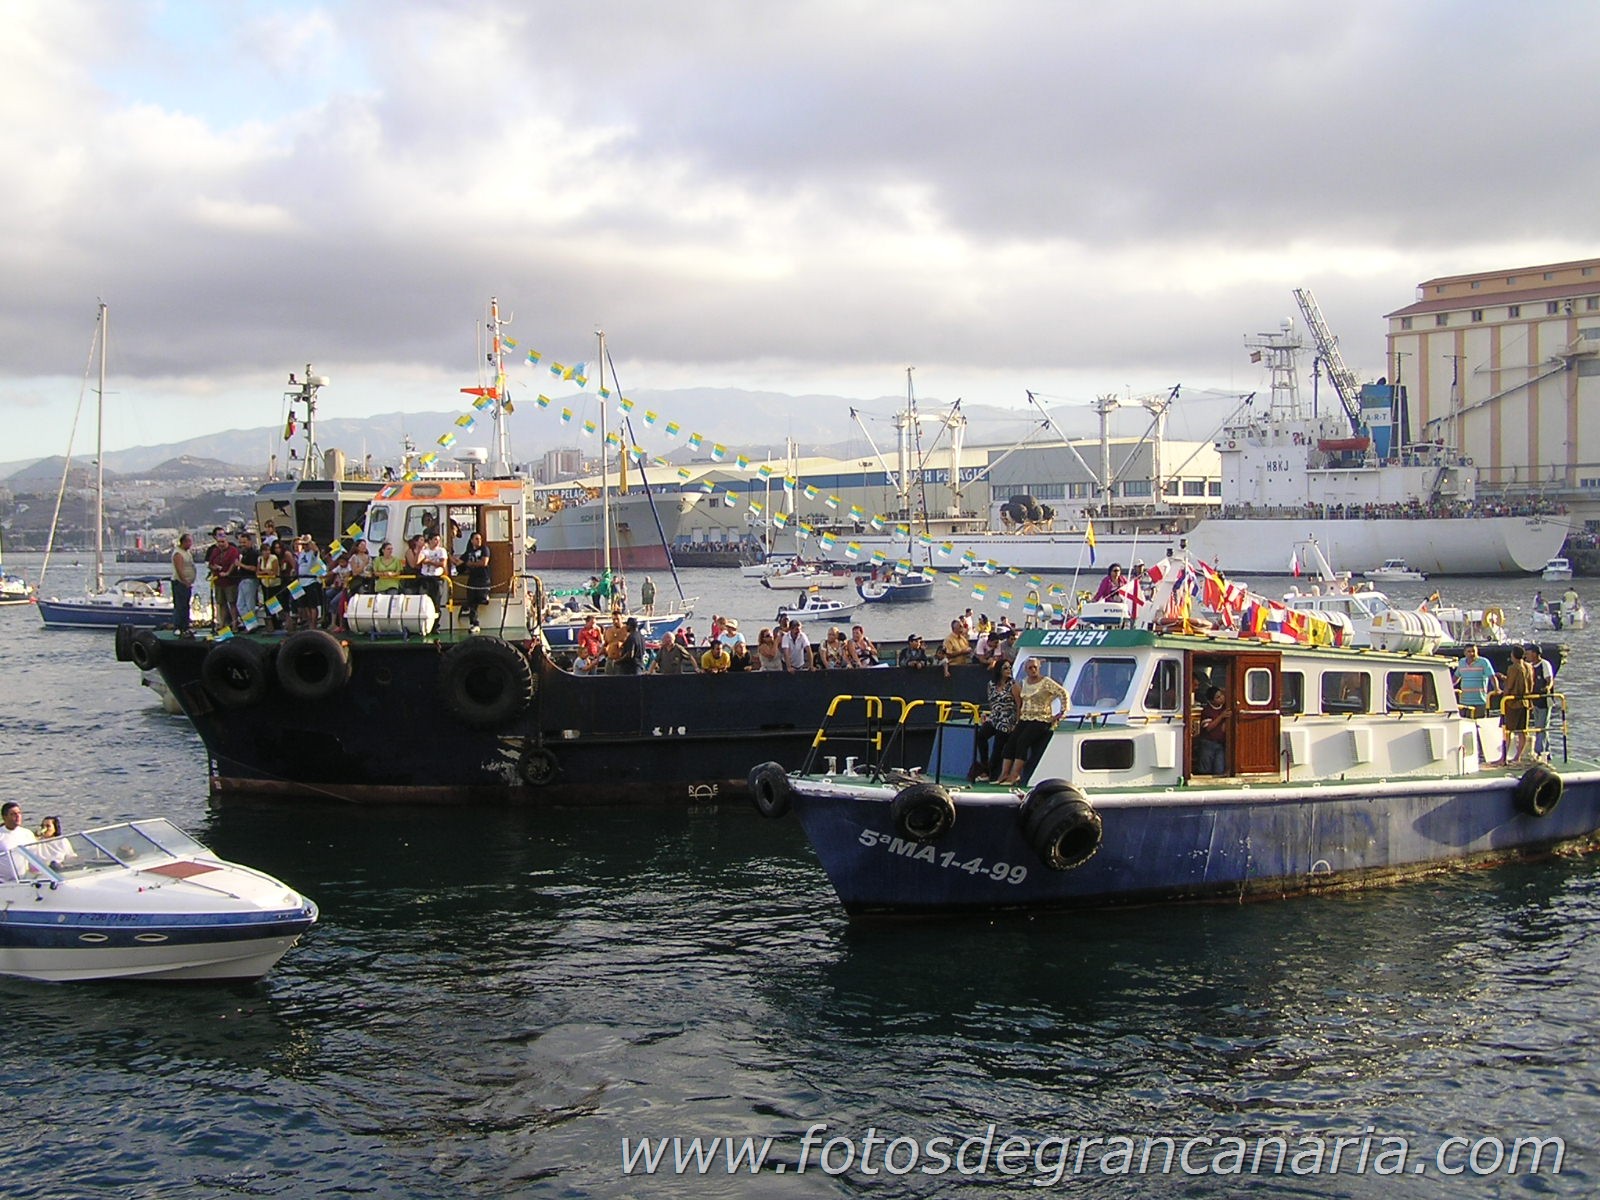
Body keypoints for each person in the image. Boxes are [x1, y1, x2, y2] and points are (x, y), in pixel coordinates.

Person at [996, 657, 1069, 785]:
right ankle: (1004, 774)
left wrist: (1062, 713)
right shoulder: (1024, 682)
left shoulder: (1046, 682)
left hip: (1041, 719)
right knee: (1011, 742)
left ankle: (1015, 775)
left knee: (1023, 741)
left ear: (1039, 667)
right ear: (1026, 669)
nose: (1033, 670)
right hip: (1025, 718)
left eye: (1035, 667)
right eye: (1030, 667)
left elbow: (1063, 693)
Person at [970, 658, 1019, 782]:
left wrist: (1017, 722)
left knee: (998, 744)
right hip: (995, 717)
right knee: (981, 736)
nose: (1008, 670)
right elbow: (992, 702)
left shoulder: (1013, 685)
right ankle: (984, 766)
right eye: (1005, 668)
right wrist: (988, 716)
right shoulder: (991, 685)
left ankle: (992, 773)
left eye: (1009, 668)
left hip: (1008, 718)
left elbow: (1019, 704)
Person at [1495, 645, 1533, 766]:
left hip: (1513, 703)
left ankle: (1503, 758)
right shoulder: (1529, 667)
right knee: (1522, 731)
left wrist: (1503, 696)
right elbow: (1530, 683)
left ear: (1513, 655)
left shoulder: (1513, 668)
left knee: (1507, 730)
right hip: (1525, 701)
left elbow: (1510, 685)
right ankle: (1518, 756)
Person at [206, 527, 241, 628]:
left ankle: (234, 623)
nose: (221, 544)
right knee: (221, 603)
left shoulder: (233, 550)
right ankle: (222, 623)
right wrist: (215, 567)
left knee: (232, 602)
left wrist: (227, 573)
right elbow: (210, 564)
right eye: (219, 542)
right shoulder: (215, 551)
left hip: (230, 581)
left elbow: (234, 562)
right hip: (218, 581)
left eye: (223, 542)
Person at [456, 531, 492, 631]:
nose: (479, 541)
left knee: (481, 598)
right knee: (472, 600)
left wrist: (470, 564)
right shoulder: (468, 552)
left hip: (483, 578)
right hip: (473, 578)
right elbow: (458, 562)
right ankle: (474, 623)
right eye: (476, 539)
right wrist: (448, 555)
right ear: (471, 540)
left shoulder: (484, 549)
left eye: (480, 539)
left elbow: (484, 562)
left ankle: (485, 596)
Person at [1526, 643, 1555, 759]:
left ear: (1535, 654)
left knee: (1541, 727)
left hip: (1544, 700)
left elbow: (1549, 679)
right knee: (1539, 726)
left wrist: (1547, 687)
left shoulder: (1544, 664)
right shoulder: (1530, 666)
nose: (1526, 656)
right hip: (1535, 700)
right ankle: (1546, 751)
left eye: (1528, 654)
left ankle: (1539, 751)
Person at [1453, 643, 1496, 719]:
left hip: (1479, 701)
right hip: (1464, 701)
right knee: (1464, 723)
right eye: (1469, 651)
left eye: (1473, 651)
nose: (1471, 654)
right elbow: (1456, 677)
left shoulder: (1484, 662)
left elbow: (1492, 677)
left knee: (1478, 722)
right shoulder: (1461, 662)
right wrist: (1449, 687)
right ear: (1465, 653)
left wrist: (1496, 689)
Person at [1194, 686, 1228, 776]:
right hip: (1208, 743)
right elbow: (1208, 727)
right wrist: (1221, 716)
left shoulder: (1226, 707)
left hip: (1220, 744)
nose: (1222, 698)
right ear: (1211, 701)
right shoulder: (1207, 711)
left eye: (1221, 695)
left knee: (1219, 769)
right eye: (1218, 697)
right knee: (1205, 769)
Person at [0, 801, 37, 881]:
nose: (17, 816)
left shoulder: (27, 833)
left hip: (23, 881)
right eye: (13, 814)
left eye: (19, 813)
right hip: (3, 882)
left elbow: (35, 858)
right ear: (4, 817)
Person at [417, 533, 449, 617]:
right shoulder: (425, 551)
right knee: (423, 601)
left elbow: (442, 564)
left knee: (436, 602)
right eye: (435, 539)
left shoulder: (441, 551)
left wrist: (429, 562)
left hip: (436, 579)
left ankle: (436, 622)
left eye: (439, 540)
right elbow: (418, 562)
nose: (437, 542)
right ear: (430, 540)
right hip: (425, 578)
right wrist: (419, 549)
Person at [171, 532, 196, 634]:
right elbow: (179, 570)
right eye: (189, 542)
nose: (191, 544)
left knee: (186, 605)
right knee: (180, 605)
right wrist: (185, 581)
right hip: (180, 583)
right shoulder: (178, 553)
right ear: (184, 542)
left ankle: (185, 626)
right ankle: (177, 627)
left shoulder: (187, 552)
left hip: (187, 583)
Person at [256, 537, 283, 629]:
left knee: (275, 603)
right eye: (265, 551)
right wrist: (266, 572)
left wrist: (265, 572)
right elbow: (258, 572)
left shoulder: (273, 558)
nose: (267, 552)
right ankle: (271, 623)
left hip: (274, 584)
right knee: (267, 603)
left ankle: (279, 622)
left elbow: (274, 572)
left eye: (268, 550)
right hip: (265, 584)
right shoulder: (260, 559)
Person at [235, 531, 260, 621]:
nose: (242, 545)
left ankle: (252, 623)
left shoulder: (253, 553)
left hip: (250, 580)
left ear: (250, 542)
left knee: (250, 604)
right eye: (241, 542)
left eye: (244, 542)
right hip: (242, 579)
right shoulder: (243, 554)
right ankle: (249, 622)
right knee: (240, 605)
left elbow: (254, 568)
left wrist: (241, 565)